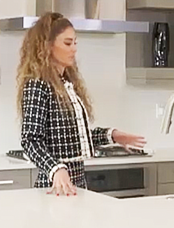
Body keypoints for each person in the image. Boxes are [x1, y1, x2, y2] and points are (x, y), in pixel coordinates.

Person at [17, 12, 146, 196]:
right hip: (54, 185)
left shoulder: (66, 84)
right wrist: (56, 169)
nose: (74, 49)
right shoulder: (38, 85)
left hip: (78, 183)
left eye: (75, 43)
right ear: (47, 46)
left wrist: (113, 136)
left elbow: (74, 138)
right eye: (68, 43)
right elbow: (30, 140)